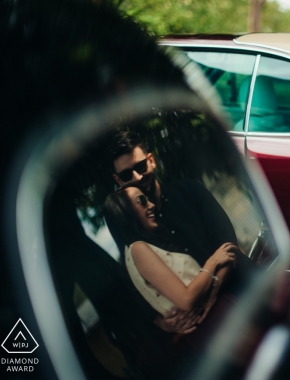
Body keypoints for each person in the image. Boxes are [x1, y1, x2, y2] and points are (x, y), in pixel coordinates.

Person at [105, 131, 249, 334]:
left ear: (151, 160)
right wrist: (161, 322)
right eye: (127, 175)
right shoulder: (134, 242)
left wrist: (212, 292)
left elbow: (228, 244)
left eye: (140, 166)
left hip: (245, 288)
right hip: (210, 329)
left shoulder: (191, 190)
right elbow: (135, 289)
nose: (137, 177)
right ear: (118, 180)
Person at [104, 185, 239, 319]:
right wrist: (213, 261)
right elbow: (186, 300)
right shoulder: (138, 249)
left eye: (148, 199)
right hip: (213, 319)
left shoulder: (132, 252)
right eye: (141, 201)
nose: (151, 205)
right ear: (125, 211)